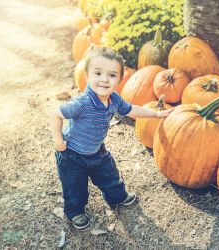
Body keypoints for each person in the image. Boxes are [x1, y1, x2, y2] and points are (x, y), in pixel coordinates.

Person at [51, 47, 173, 229]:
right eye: (98, 73)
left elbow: (131, 109)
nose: (104, 79)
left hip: (96, 151)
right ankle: (75, 211)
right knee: (74, 187)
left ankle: (117, 197)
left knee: (109, 175)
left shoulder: (114, 99)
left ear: (120, 79)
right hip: (72, 156)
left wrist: (154, 114)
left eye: (112, 75)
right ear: (87, 75)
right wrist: (58, 142)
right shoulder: (82, 103)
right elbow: (56, 115)